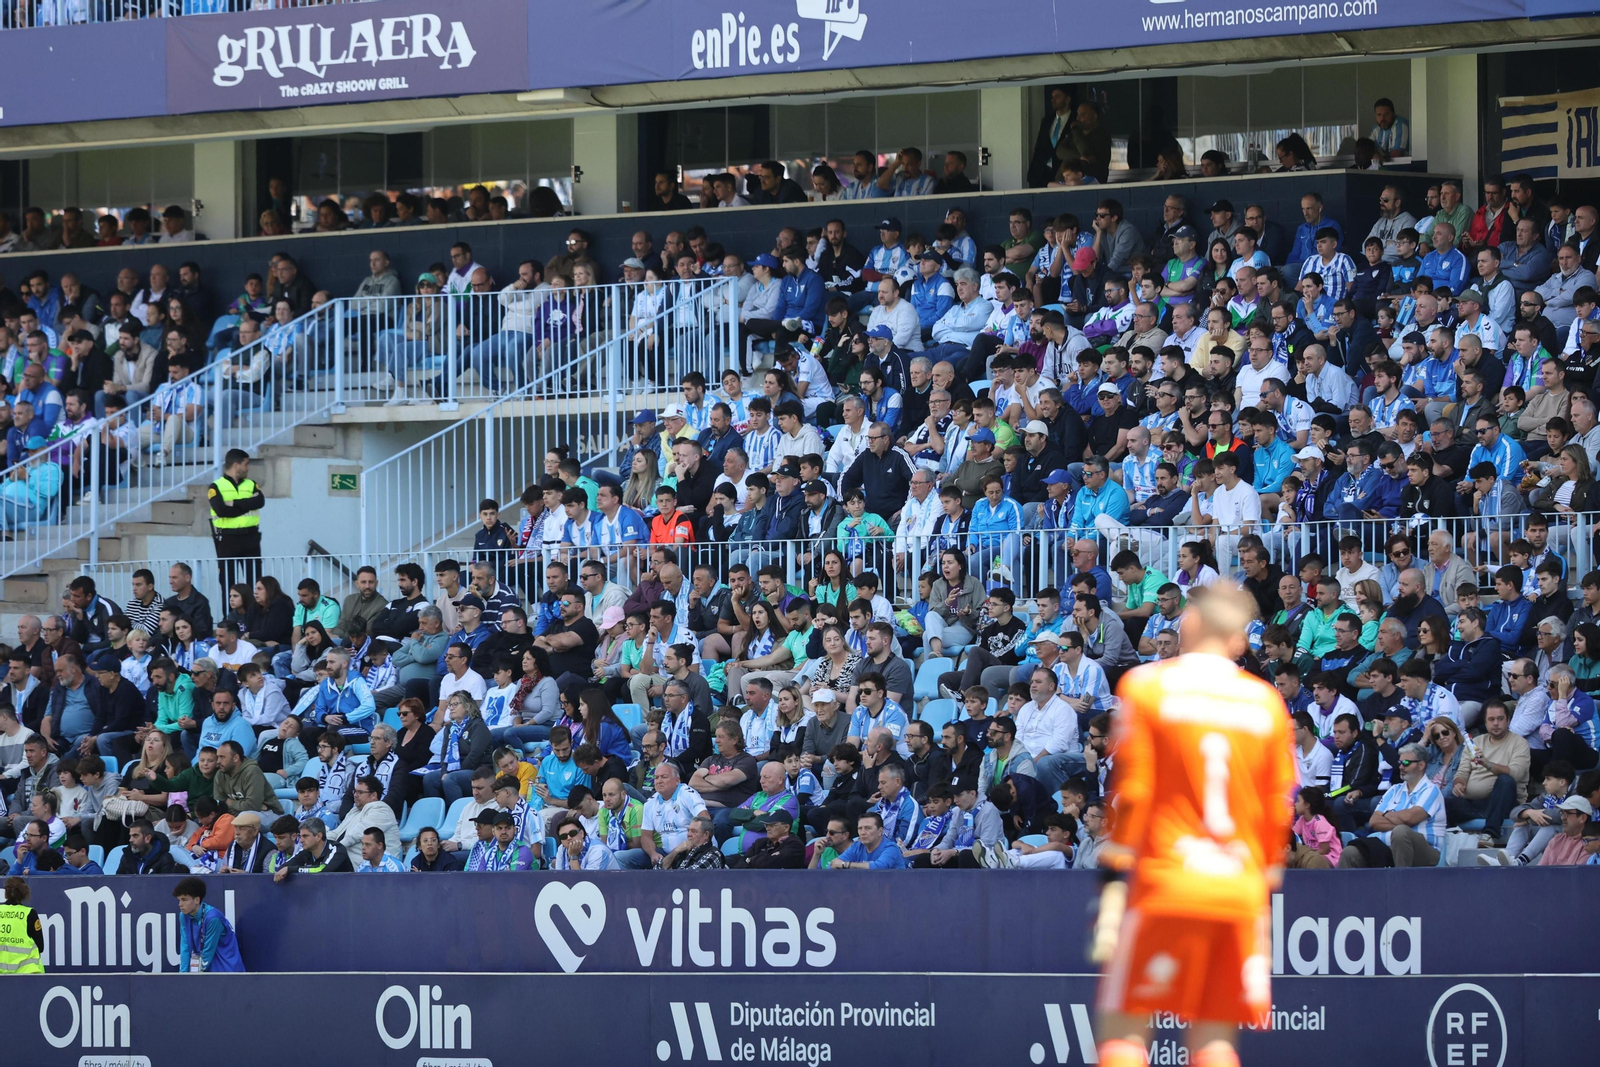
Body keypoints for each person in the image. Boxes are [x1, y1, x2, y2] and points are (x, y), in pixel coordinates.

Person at [1091, 583, 1294, 1067]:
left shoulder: (1148, 686)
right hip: (1236, 890)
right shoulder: (1265, 704)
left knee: (1125, 1030)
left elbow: (1134, 795)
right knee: (1215, 1042)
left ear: (1191, 623)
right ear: (1240, 641)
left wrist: (1115, 878)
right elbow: (1276, 813)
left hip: (1167, 881)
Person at [209, 449, 265, 602]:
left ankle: (255, 618)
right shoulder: (215, 487)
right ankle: (229, 621)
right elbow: (221, 510)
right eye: (246, 464)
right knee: (228, 584)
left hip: (251, 539)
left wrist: (234, 504)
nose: (248, 468)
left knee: (255, 583)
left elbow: (260, 502)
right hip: (228, 539)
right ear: (236, 465)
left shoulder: (251, 484)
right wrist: (247, 505)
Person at [173, 876, 245, 972]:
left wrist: (194, 979)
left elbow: (207, 954)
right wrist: (183, 977)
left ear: (197, 900)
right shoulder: (183, 915)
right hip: (209, 973)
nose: (180, 904)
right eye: (179, 900)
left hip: (228, 971)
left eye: (184, 899)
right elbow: (185, 947)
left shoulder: (213, 918)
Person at [0, 876, 45, 975]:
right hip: (27, 974)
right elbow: (40, 947)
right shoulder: (29, 914)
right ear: (24, 892)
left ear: (5, 893)